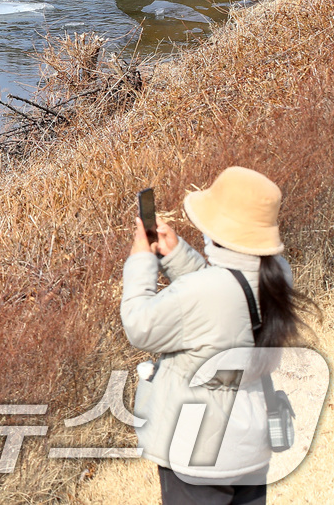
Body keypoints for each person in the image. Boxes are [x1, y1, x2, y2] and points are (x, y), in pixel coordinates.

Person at [120, 166, 314, 505]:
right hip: (250, 444)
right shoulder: (277, 275)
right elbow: (228, 300)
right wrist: (178, 257)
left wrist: (141, 262)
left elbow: (140, 326)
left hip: (197, 452)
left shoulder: (208, 291)